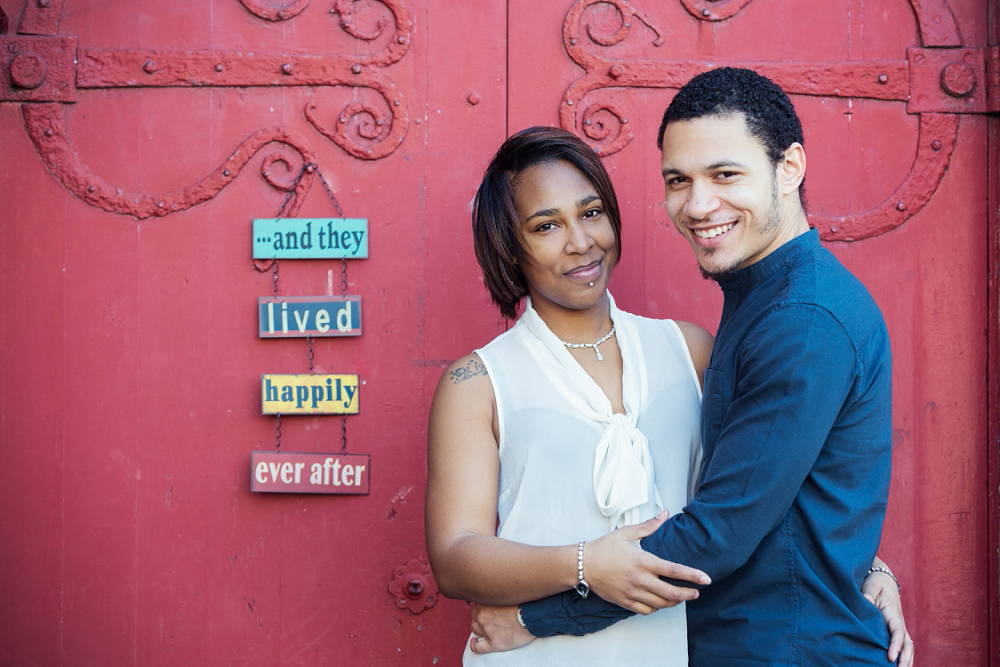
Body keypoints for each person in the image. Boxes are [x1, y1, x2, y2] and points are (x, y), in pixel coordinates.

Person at [470, 68, 913, 666]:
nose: (699, 204)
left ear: (789, 168)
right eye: (679, 180)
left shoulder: (801, 321)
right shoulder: (761, 301)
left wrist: (538, 619)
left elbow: (717, 536)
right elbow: (779, 488)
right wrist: (870, 561)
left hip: (791, 651)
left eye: (725, 174)